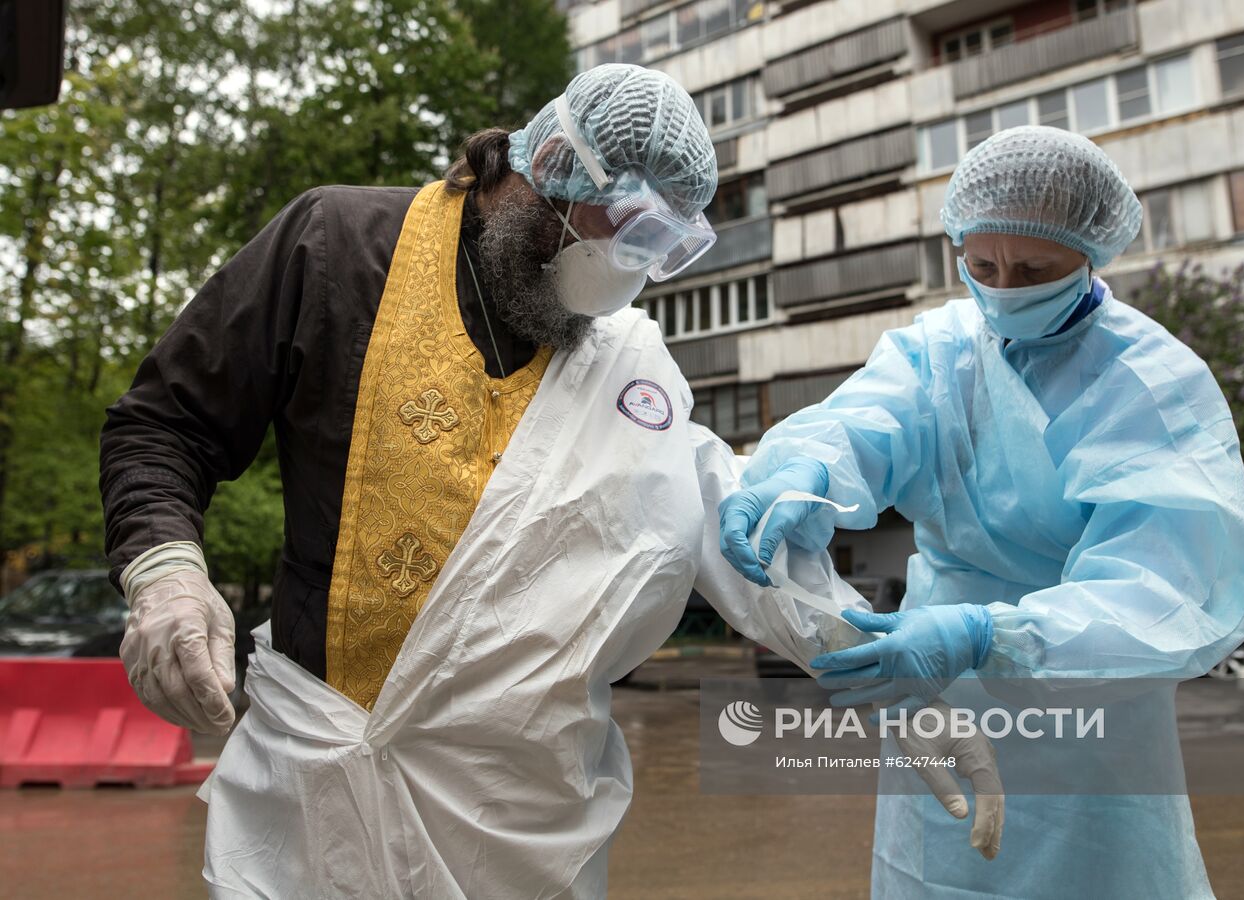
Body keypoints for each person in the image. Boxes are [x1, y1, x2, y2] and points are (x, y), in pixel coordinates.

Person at [100, 64, 1001, 897]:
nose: (628, 274)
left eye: (660, 250)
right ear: (551, 168)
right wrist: (165, 574)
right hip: (315, 799)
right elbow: (165, 422)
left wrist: (886, 676)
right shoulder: (335, 248)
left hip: (524, 832)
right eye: (626, 234)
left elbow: (727, 532)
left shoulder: (628, 369)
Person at [719, 125, 1244, 899]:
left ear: (1091, 254)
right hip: (936, 690)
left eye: (1035, 268)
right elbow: (865, 423)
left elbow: (1167, 587)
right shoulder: (942, 349)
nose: (1004, 287)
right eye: (981, 265)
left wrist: (990, 634)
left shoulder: (1149, 384)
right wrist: (803, 473)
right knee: (934, 875)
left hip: (1087, 709)